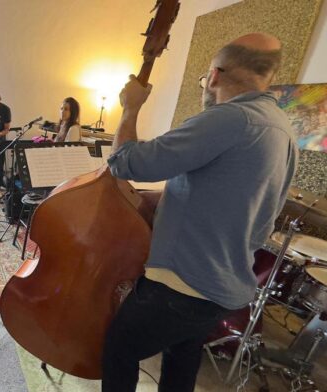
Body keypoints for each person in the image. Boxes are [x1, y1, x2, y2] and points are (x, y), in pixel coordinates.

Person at [103, 33, 297, 391]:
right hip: (225, 284)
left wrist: (130, 108)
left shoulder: (230, 118)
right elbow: (235, 195)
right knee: (181, 360)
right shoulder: (281, 127)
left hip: (183, 283)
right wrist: (167, 198)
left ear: (216, 75)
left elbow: (126, 163)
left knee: (119, 349)